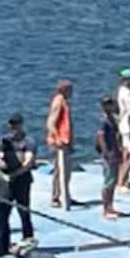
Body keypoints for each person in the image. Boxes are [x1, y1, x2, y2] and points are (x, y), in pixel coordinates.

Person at [1, 113, 38, 241]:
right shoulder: (4, 140)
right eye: (12, 125)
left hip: (22, 180)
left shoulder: (28, 141)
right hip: (6, 180)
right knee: (4, 212)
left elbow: (28, 162)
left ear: (21, 124)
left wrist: (15, 174)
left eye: (16, 124)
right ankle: (3, 242)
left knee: (24, 211)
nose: (14, 127)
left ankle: (28, 239)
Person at [45, 79, 74, 210]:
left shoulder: (64, 101)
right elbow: (50, 122)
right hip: (59, 143)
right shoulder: (58, 101)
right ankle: (55, 197)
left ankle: (65, 194)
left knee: (67, 171)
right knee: (59, 171)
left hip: (65, 141)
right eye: (70, 89)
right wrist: (57, 138)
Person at [95, 96, 123, 221]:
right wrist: (106, 152)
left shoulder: (112, 119)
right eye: (107, 104)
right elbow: (100, 137)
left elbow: (116, 136)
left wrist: (118, 150)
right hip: (109, 154)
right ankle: (105, 208)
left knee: (113, 181)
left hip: (114, 152)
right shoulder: (104, 121)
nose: (110, 106)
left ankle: (110, 206)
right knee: (108, 181)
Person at [115, 69, 130, 194]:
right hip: (128, 126)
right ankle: (121, 181)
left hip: (123, 125)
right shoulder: (127, 93)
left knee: (126, 154)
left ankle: (125, 180)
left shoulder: (121, 91)